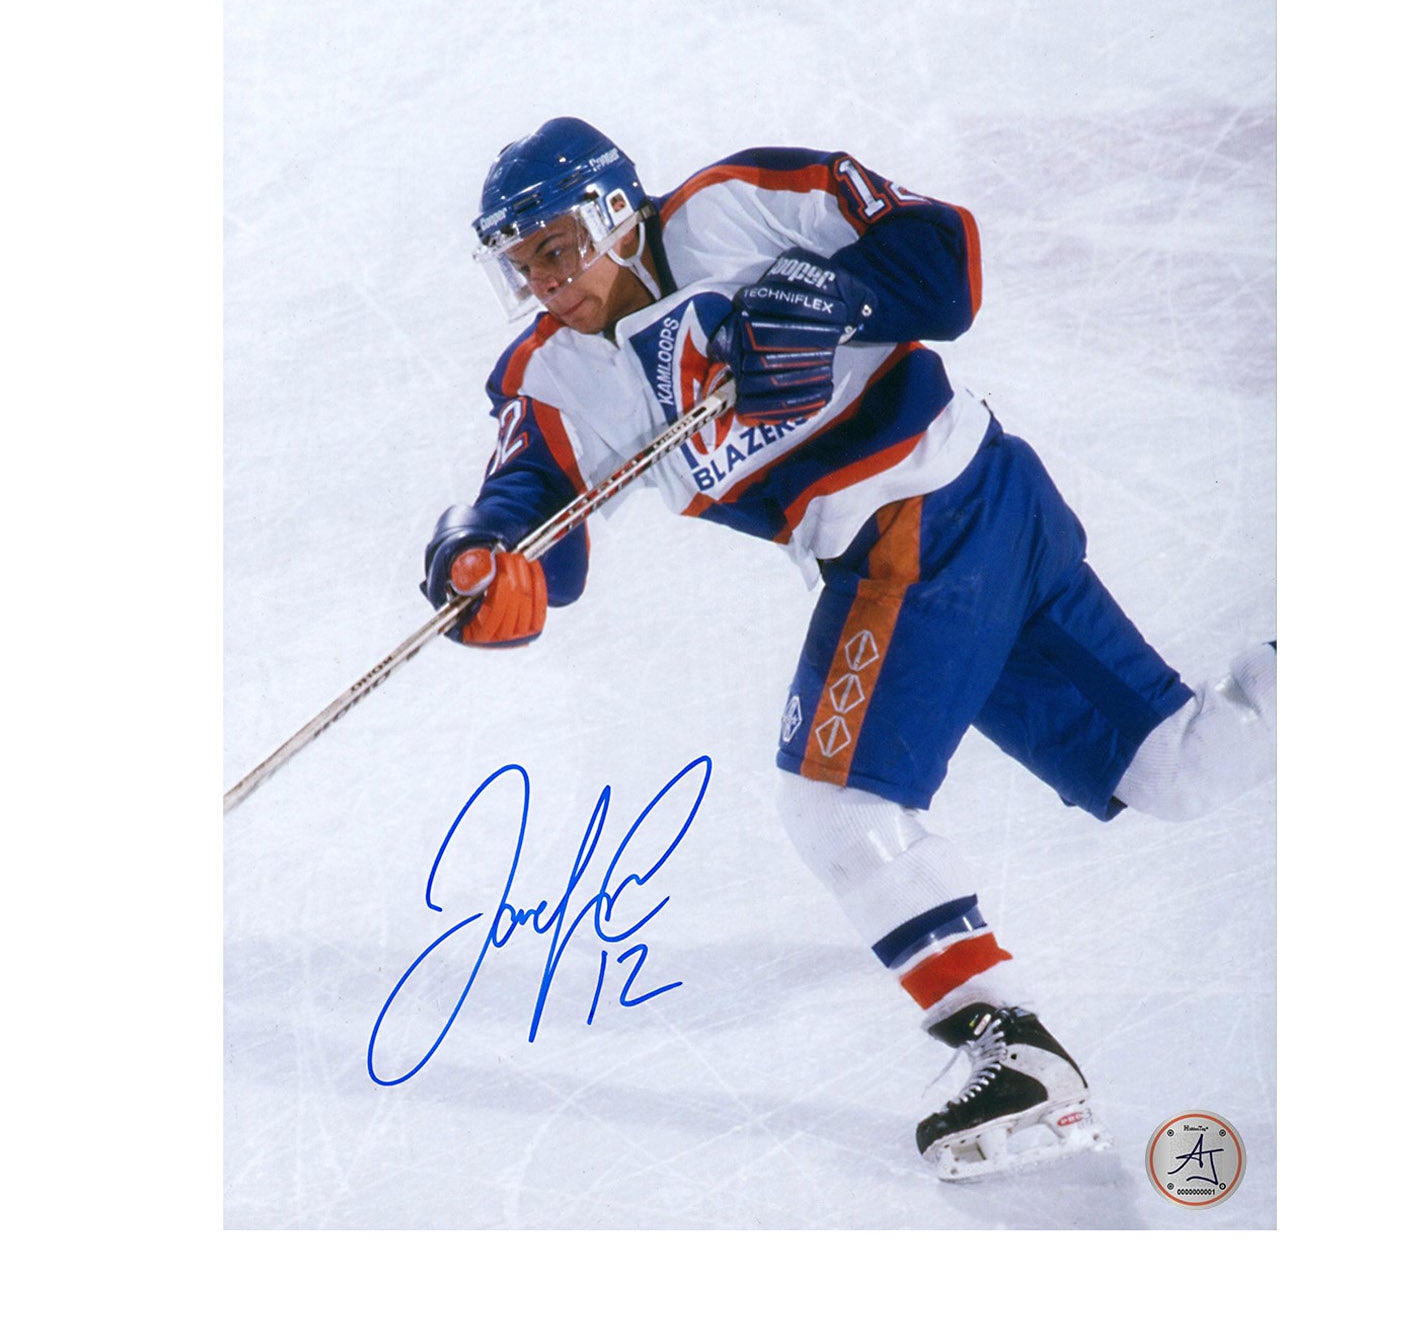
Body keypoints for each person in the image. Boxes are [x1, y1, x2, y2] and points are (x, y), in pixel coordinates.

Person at [421, 117, 1276, 1181]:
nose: (544, 283)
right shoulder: (557, 375)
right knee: (1178, 767)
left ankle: (1013, 1052)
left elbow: (946, 260)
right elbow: (529, 508)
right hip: (961, 522)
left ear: (613, 214)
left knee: (836, 803)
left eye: (556, 248)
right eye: (522, 266)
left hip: (926, 525)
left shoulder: (735, 204)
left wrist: (842, 300)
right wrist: (480, 560)